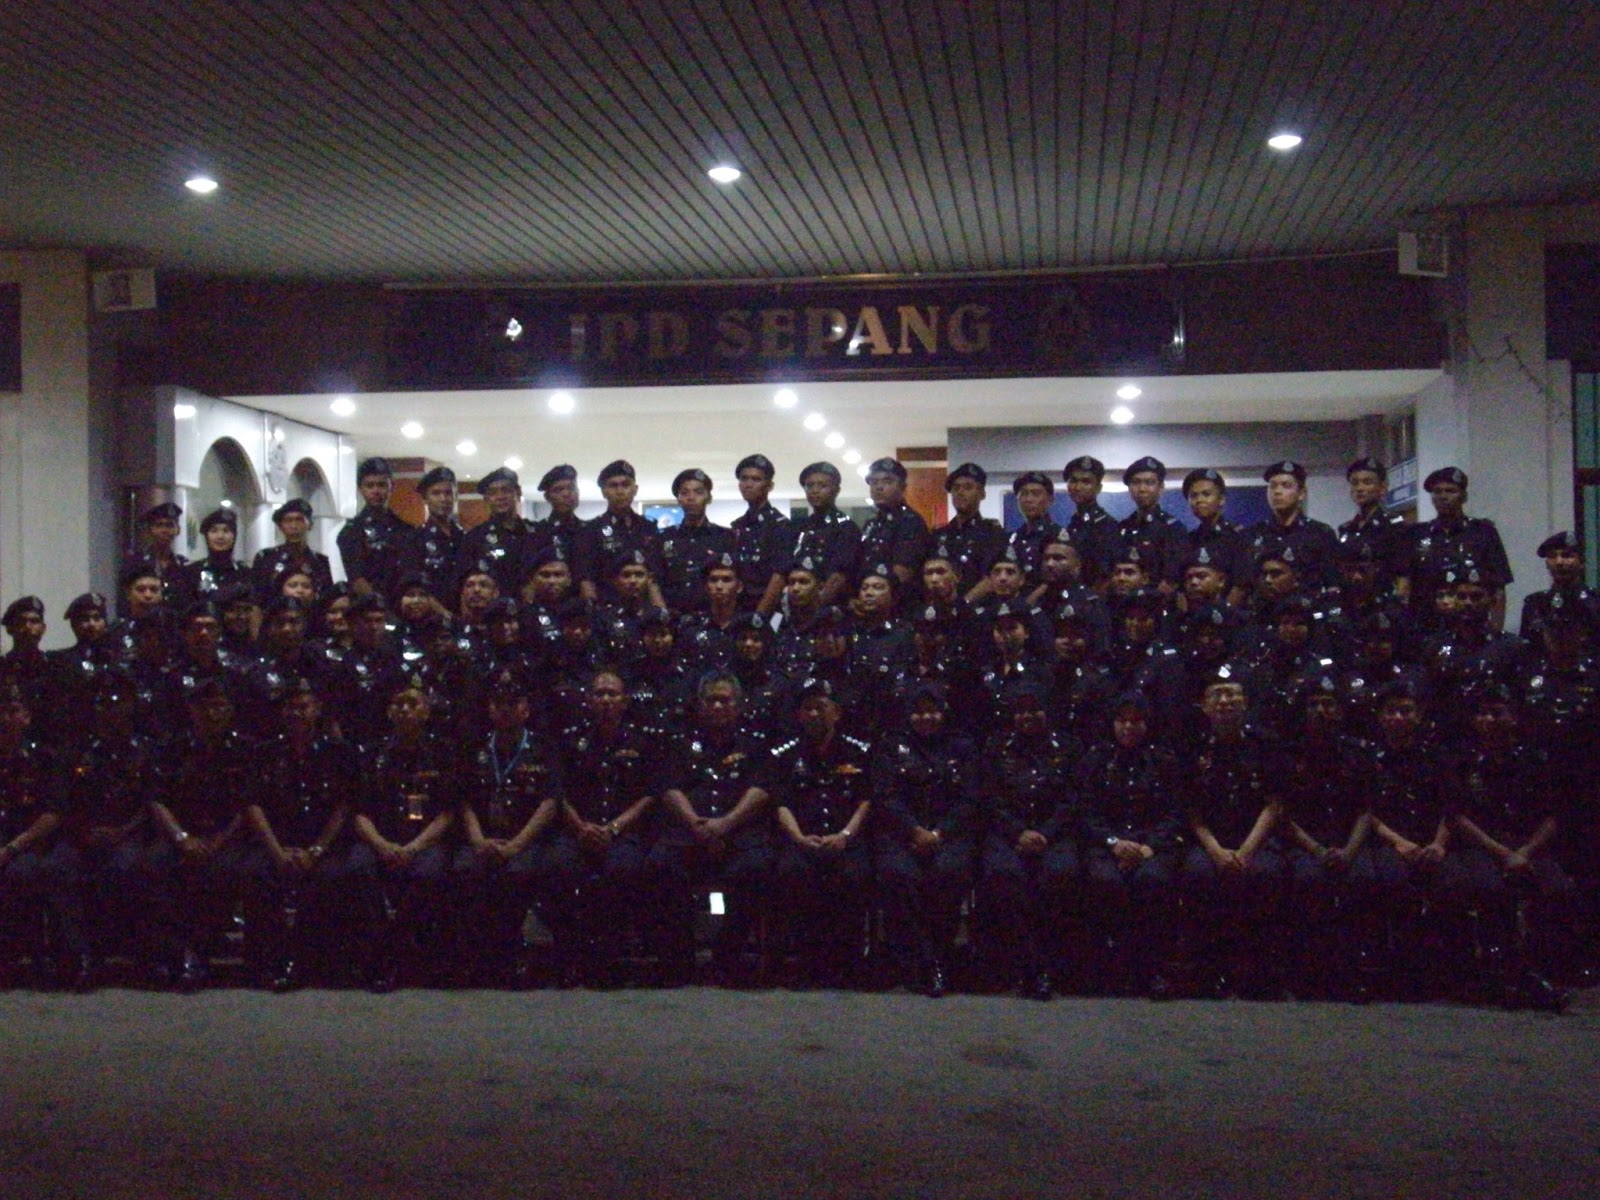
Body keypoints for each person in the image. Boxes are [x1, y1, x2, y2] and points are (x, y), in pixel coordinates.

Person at [653, 671, 776, 986]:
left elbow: (761, 791)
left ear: (738, 705)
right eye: (711, 700)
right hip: (688, 834)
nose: (718, 706)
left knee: (757, 868)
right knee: (660, 864)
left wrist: (724, 825)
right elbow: (669, 788)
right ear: (699, 705)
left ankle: (727, 956)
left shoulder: (755, 744)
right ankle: (680, 958)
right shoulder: (680, 743)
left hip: (738, 835)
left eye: (725, 700)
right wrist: (697, 825)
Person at [241, 679, 360, 991]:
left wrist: (316, 850)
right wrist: (278, 852)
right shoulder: (265, 752)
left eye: (304, 706)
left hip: (323, 845)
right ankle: (269, 962)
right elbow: (253, 805)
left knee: (330, 877)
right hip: (276, 844)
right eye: (291, 707)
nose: (298, 713)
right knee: (256, 873)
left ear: (317, 710)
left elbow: (344, 806)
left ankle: (317, 962)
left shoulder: (338, 752)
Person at [455, 674, 571, 987]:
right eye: (499, 703)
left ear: (526, 709)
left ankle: (514, 958)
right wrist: (478, 841)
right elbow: (464, 802)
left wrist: (515, 846)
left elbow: (550, 803)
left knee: (519, 874)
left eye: (512, 703)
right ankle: (474, 960)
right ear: (489, 709)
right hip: (484, 838)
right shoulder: (474, 748)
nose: (505, 709)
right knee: (463, 870)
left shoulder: (543, 747)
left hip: (529, 839)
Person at [558, 667, 670, 985]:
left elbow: (650, 794)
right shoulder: (571, 740)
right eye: (599, 694)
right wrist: (581, 828)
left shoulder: (642, 741)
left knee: (623, 870)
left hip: (624, 833)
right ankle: (569, 954)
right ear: (588, 700)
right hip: (578, 831)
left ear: (624, 701)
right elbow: (557, 794)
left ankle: (608, 957)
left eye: (612, 694)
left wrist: (614, 828)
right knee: (556, 868)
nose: (606, 700)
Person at [143, 677, 256, 991]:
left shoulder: (245, 750)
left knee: (221, 869)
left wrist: (217, 842)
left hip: (228, 838)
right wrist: (182, 838)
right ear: (191, 710)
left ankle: (200, 954)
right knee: (155, 864)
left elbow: (248, 806)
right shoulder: (172, 748)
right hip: (181, 835)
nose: (211, 713)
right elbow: (157, 799)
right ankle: (168, 954)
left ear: (230, 710)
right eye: (204, 706)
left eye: (219, 706)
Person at [870, 680, 977, 996]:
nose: (925, 718)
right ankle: (920, 962)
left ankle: (938, 958)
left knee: (949, 873)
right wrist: (914, 830)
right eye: (918, 712)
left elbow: (970, 798)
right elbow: (885, 796)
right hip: (903, 833)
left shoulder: (962, 746)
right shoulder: (891, 746)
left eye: (932, 711)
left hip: (948, 834)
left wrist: (939, 833)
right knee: (898, 875)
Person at [351, 682, 460, 992]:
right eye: (398, 704)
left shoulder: (442, 752)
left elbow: (447, 813)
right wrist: (381, 845)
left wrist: (413, 847)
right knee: (358, 868)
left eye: (413, 704)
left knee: (428, 873)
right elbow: (359, 813)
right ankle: (382, 956)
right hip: (380, 840)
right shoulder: (372, 754)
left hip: (424, 841)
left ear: (426, 712)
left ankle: (396, 955)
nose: (404, 709)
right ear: (388, 712)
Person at [1074, 692, 1184, 997]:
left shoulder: (1164, 761)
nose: (1128, 727)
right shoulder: (1096, 759)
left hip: (1152, 846)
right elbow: (1086, 812)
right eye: (1122, 720)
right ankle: (1109, 968)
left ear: (1147, 724)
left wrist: (1149, 846)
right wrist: (1114, 843)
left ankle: (1153, 970)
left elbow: (1174, 814)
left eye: (1136, 721)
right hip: (1107, 843)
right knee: (1105, 881)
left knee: (1152, 880)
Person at [770, 678, 874, 987]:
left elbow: (866, 800)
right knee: (792, 872)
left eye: (821, 707)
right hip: (802, 840)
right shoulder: (785, 755)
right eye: (808, 708)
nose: (814, 714)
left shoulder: (858, 751)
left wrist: (845, 835)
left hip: (846, 840)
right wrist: (799, 838)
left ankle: (848, 961)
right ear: (799, 715)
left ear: (836, 713)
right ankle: (806, 961)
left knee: (854, 875)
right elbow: (781, 803)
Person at [0, 680, 91, 990]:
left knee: (36, 870)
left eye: (13, 711)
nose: (5, 718)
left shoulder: (46, 757)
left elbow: (54, 813)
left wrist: (11, 848)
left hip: (41, 841)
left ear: (26, 716)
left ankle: (67, 959)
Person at [1408, 467, 1513, 631]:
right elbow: (1407, 586)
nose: (1443, 496)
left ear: (1464, 496)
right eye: (1437, 492)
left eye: (1450, 491)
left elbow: (1498, 588)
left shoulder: (1483, 532)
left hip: (1472, 629)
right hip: (1427, 628)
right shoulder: (1417, 534)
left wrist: (1496, 632)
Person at [1240, 460, 1339, 599]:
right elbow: (1243, 585)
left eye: (1286, 486)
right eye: (1272, 486)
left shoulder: (1320, 533)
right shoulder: (1252, 534)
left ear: (1301, 493)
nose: (1277, 491)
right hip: (1263, 610)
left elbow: (1333, 584)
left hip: (1307, 610)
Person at [574, 460, 665, 606]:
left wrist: (660, 612)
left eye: (625, 485)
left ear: (635, 489)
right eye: (613, 485)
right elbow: (586, 578)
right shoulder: (591, 530)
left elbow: (654, 576)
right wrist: (593, 612)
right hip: (608, 608)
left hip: (646, 610)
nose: (620, 491)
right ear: (604, 492)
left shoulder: (649, 527)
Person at [789, 462, 862, 610]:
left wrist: (816, 609)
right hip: (796, 605)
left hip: (831, 608)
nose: (815, 491)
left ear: (836, 490)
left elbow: (838, 577)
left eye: (822, 486)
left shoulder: (846, 527)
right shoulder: (799, 526)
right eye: (809, 486)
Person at [659, 468, 733, 614]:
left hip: (713, 617)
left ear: (709, 498)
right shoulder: (663, 538)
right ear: (678, 499)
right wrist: (663, 615)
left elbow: (733, 581)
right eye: (684, 493)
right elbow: (654, 581)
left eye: (698, 492)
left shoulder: (726, 537)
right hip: (672, 618)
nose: (691, 498)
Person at [858, 457, 930, 606]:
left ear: (902, 487)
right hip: (869, 602)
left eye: (887, 481)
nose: (879, 487)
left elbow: (903, 573)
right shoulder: (871, 524)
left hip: (900, 605)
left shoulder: (910, 522)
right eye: (874, 482)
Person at [456, 466, 534, 601]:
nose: (500, 497)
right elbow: (464, 586)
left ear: (518, 492)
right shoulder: (474, 539)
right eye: (493, 493)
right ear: (486, 499)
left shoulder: (537, 533)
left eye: (506, 490)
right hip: (493, 610)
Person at [337, 456, 410, 601]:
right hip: (369, 607)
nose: (376, 491)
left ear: (391, 487)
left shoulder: (406, 529)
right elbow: (357, 579)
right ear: (360, 489)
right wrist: (381, 607)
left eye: (381, 485)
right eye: (369, 486)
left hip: (403, 604)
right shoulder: (351, 531)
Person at [1337, 457, 1410, 599]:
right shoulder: (1346, 529)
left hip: (1384, 602)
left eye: (1367, 482)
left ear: (1382, 488)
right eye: (1355, 483)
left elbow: (1404, 575)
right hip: (1352, 602)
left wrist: (1396, 604)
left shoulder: (1394, 526)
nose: (1360, 488)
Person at [729, 453, 792, 614]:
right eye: (744, 479)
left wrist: (759, 616)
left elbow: (779, 577)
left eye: (756, 479)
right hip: (738, 608)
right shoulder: (738, 526)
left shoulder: (780, 525)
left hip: (768, 609)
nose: (748, 484)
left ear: (769, 486)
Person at [931, 462, 1004, 598]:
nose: (960, 492)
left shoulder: (992, 533)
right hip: (943, 606)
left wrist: (964, 603)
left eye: (968, 487)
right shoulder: (939, 534)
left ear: (982, 494)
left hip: (980, 607)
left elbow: (991, 578)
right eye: (956, 488)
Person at [399, 465, 465, 612]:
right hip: (430, 617)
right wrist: (446, 615)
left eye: (448, 493)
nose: (443, 499)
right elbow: (414, 587)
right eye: (436, 493)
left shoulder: (466, 538)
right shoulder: (415, 540)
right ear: (425, 498)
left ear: (455, 497)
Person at [1116, 456, 1186, 592]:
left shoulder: (1173, 529)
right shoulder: (1122, 528)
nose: (1142, 489)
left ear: (1161, 488)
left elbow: (1172, 580)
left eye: (1149, 483)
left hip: (1157, 601)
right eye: (1136, 482)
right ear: (1129, 488)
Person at [1519, 531, 1600, 640]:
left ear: (1581, 562)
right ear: (1547, 564)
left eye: (1567, 555)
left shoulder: (1595, 602)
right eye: (1552, 556)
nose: (1559, 562)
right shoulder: (1536, 604)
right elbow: (1527, 647)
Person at [251, 498, 334, 604]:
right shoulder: (266, 559)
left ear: (310, 524)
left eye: (299, 520)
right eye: (288, 521)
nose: (294, 526)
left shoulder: (320, 562)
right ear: (280, 527)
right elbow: (257, 598)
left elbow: (327, 600)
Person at [118, 501, 189, 618]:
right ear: (150, 530)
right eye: (159, 525)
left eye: (169, 525)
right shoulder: (134, 563)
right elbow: (124, 603)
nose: (164, 530)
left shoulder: (184, 566)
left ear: (178, 530)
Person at [1063, 455, 1119, 588]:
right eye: (1073, 481)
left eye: (1086, 482)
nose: (1078, 487)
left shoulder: (1106, 525)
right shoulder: (1074, 523)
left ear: (1098, 488)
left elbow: (1106, 576)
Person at [179, 508, 250, 609]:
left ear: (234, 536)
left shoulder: (245, 573)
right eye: (214, 531)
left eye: (226, 531)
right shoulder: (191, 572)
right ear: (207, 536)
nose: (220, 536)